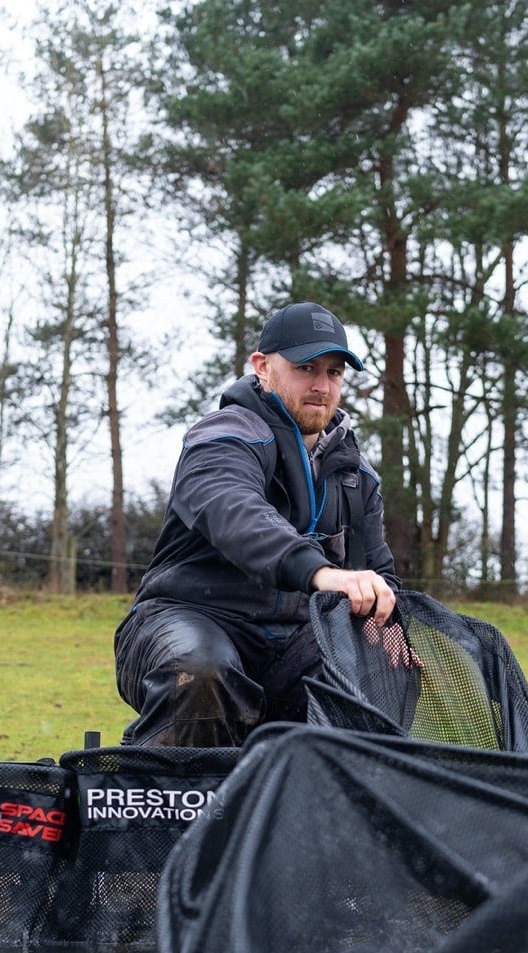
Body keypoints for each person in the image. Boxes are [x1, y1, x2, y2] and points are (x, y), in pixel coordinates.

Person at [115, 301, 403, 746]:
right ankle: (164, 785)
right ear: (262, 367)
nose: (321, 386)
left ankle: (303, 790)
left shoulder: (356, 476)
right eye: (305, 368)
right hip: (185, 620)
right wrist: (320, 571)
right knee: (201, 672)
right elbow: (235, 511)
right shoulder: (222, 437)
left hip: (294, 644)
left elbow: (378, 571)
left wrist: (392, 625)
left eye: (334, 373)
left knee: (377, 677)